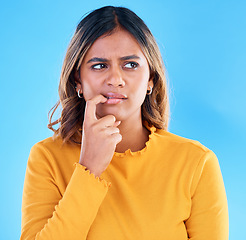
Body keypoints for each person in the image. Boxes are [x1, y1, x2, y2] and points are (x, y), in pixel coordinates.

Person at [21, 6, 229, 240]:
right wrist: (88, 170)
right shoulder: (46, 158)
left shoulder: (197, 163)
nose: (115, 80)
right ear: (78, 80)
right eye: (99, 65)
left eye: (130, 65)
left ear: (151, 78)